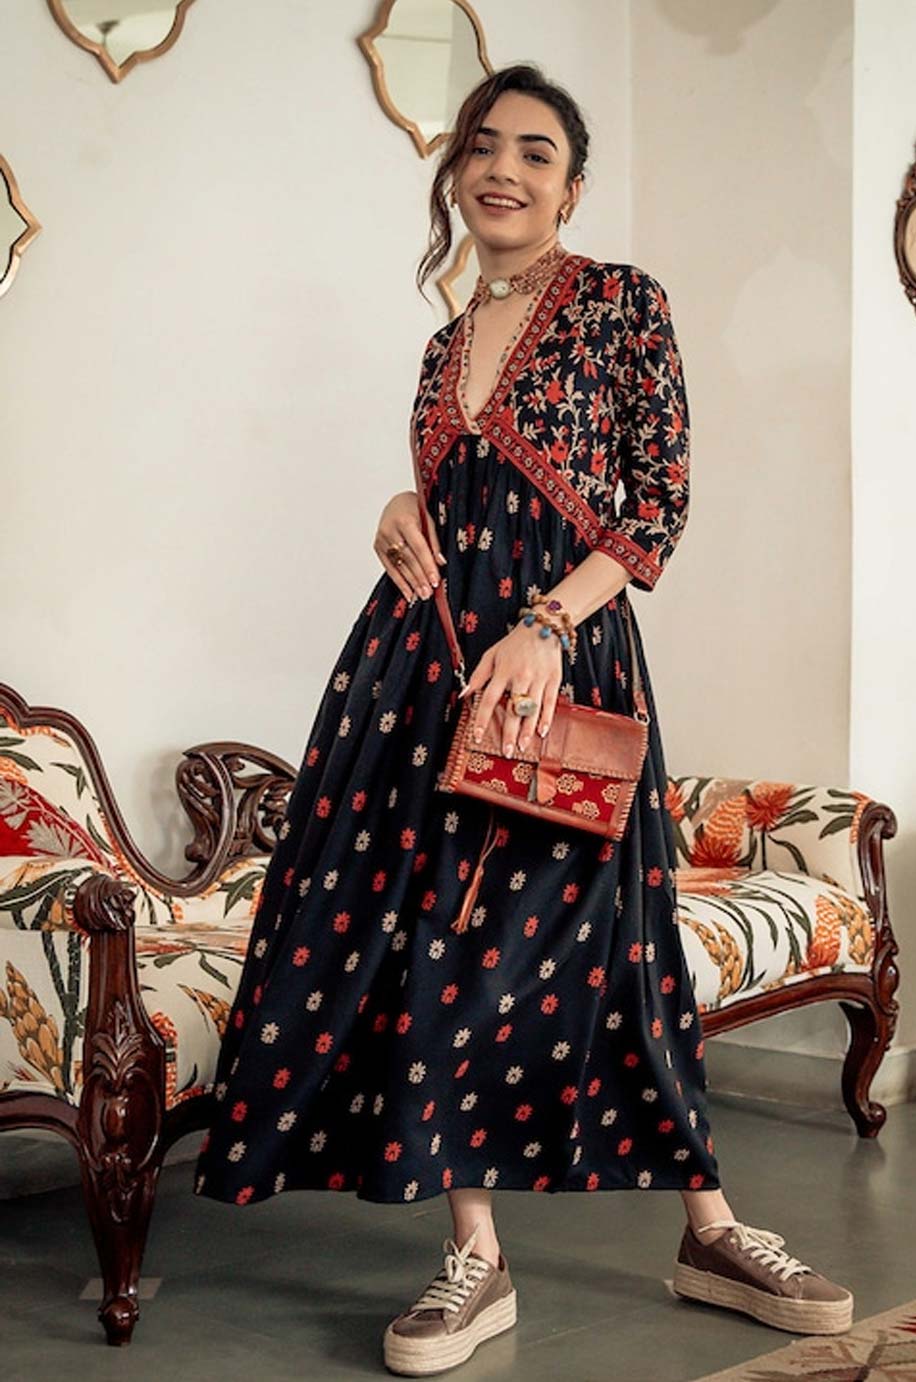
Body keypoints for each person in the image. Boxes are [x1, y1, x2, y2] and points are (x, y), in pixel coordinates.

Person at [193, 63, 853, 1378]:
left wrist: (547, 626)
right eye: (483, 145)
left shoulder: (619, 303)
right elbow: (453, 506)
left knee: (621, 941)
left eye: (535, 151)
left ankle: (714, 1230)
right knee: (437, 935)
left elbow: (656, 505)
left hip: (565, 668)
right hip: (429, 672)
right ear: (457, 173)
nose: (503, 168)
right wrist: (397, 508)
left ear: (572, 186)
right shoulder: (442, 347)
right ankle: (476, 1257)